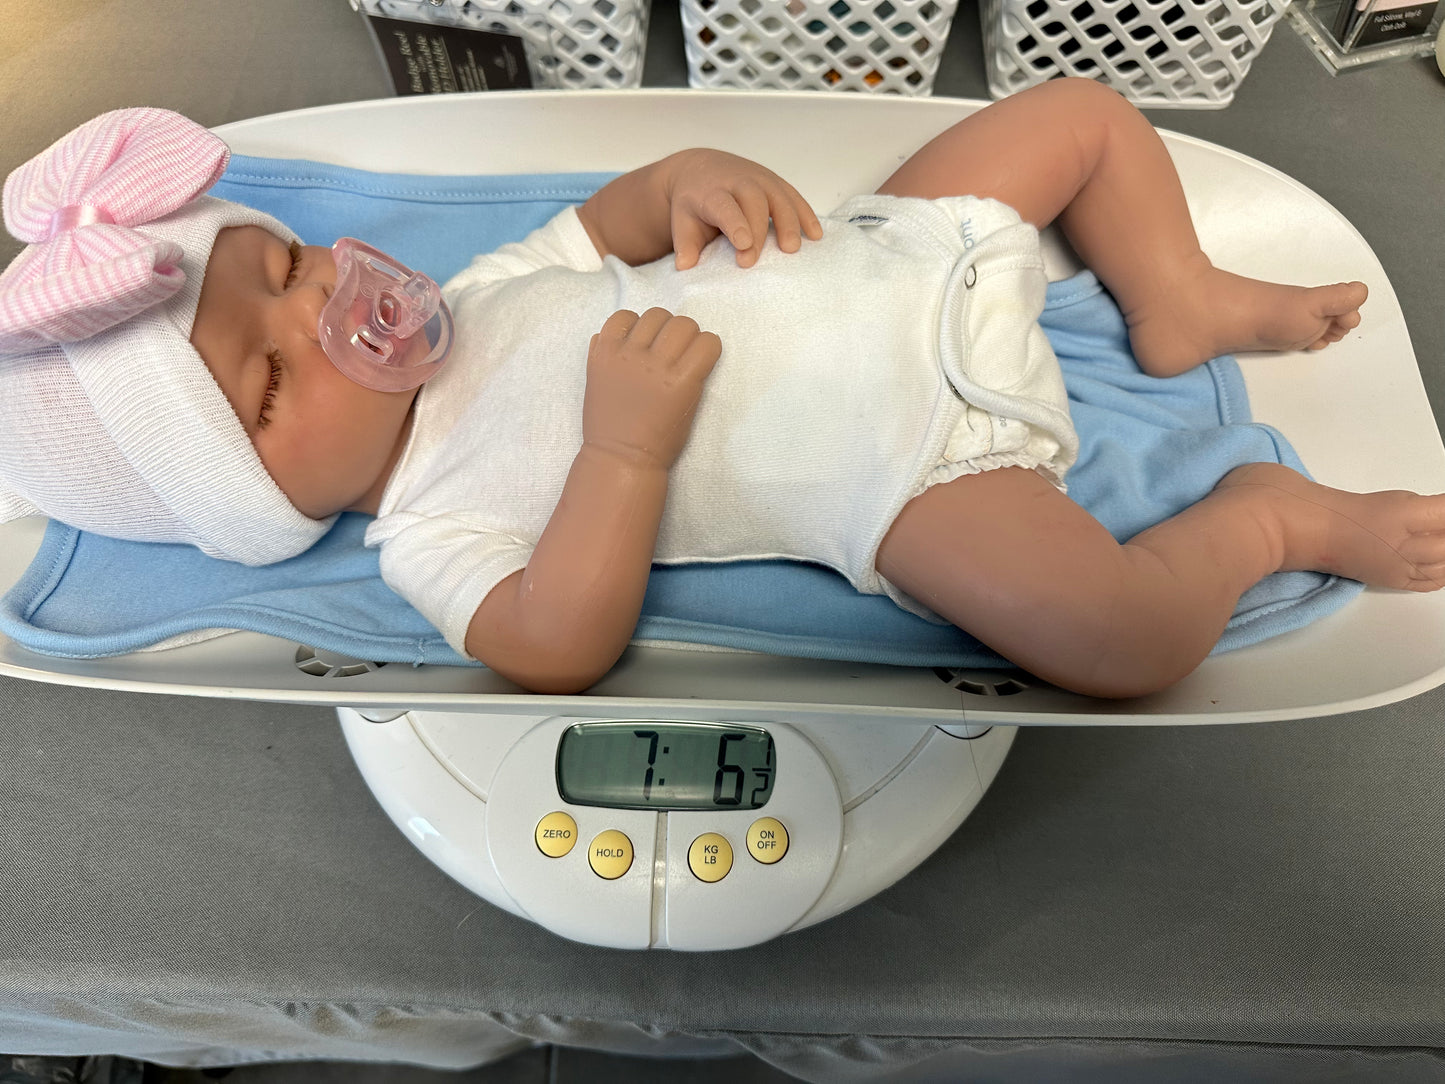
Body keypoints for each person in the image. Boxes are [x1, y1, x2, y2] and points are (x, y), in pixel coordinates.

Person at [2, 82, 1440, 700]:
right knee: (1122, 642)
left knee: (1080, 116)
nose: (328, 315)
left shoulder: (482, 294)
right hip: (915, 471)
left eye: (291, 265)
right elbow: (550, 645)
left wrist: (684, 178)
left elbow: (607, 220)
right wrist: (621, 456)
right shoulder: (426, 529)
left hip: (900, 251)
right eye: (269, 379)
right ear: (258, 505)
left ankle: (1175, 295)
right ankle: (1273, 518)